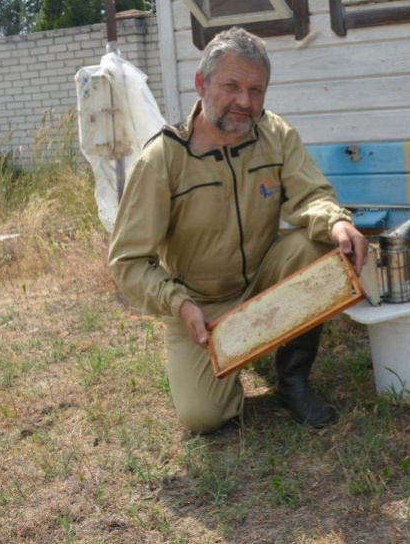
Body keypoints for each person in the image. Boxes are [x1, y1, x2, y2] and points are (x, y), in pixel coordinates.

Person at [108, 27, 368, 434]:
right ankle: (231, 359)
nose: (244, 102)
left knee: (318, 243)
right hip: (200, 305)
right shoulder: (161, 160)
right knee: (205, 418)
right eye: (231, 86)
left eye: (256, 90)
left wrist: (336, 222)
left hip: (265, 278)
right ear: (201, 83)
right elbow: (128, 261)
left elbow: (311, 195)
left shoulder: (275, 135)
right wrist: (179, 304)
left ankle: (293, 380)